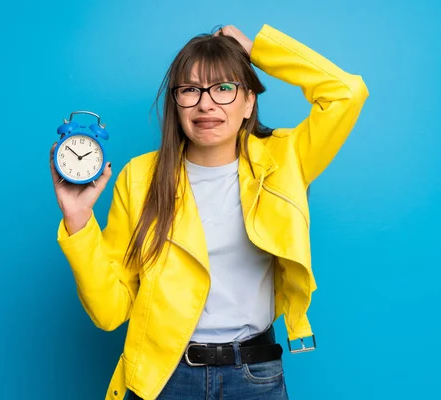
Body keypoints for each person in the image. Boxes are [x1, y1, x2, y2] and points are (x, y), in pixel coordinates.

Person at [50, 23, 368, 400]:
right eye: (190, 90)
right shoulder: (140, 178)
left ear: (249, 101)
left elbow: (346, 93)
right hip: (165, 377)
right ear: (176, 103)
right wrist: (78, 221)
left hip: (255, 373)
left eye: (224, 88)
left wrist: (256, 51)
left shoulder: (285, 160)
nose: (206, 103)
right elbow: (109, 311)